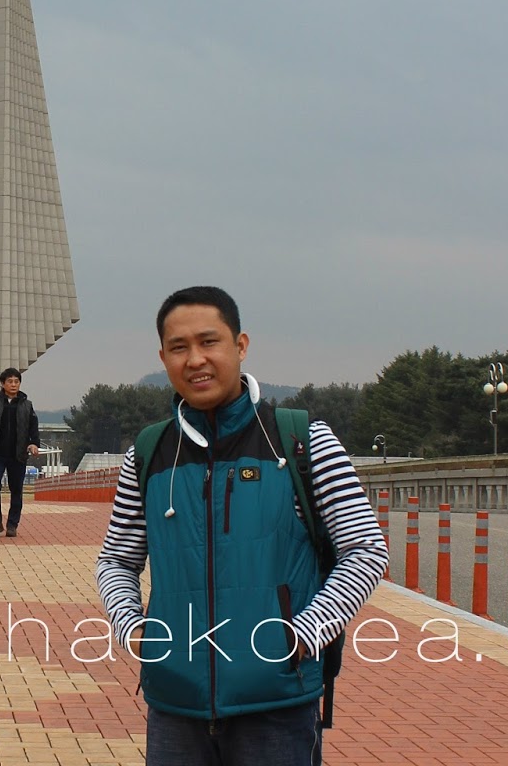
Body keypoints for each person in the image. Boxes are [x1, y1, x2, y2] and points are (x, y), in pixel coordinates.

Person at [95, 286, 388, 766]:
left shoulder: (300, 440)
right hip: (174, 703)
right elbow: (117, 559)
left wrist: (301, 634)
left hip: (276, 705)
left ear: (240, 345)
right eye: (179, 347)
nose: (195, 359)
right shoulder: (147, 454)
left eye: (209, 342)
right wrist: (136, 630)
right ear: (163, 357)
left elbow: (366, 549)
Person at [0, 368, 39, 538]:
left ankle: (12, 524)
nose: (13, 385)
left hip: (17, 454)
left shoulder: (27, 405)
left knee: (16, 489)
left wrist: (33, 443)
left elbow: (33, 426)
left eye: (16, 381)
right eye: (10, 381)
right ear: (3, 383)